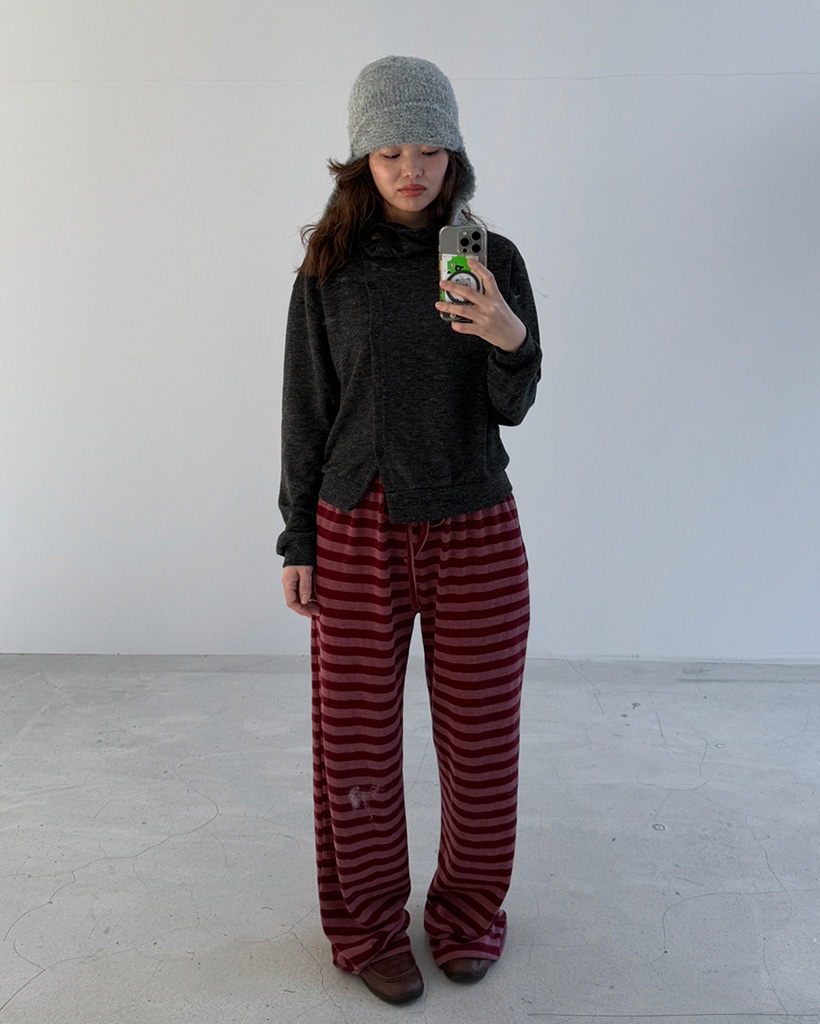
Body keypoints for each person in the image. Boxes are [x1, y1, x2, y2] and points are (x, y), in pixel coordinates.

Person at [278, 55, 541, 1005]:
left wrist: (509, 338)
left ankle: (467, 916)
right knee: (355, 749)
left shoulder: (493, 258)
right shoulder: (330, 269)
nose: (411, 169)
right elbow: (307, 408)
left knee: (482, 747)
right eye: (390, 150)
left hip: (474, 522)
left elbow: (514, 404)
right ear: (361, 157)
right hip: (357, 527)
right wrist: (297, 538)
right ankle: (367, 929)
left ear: (454, 154)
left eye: (430, 149)